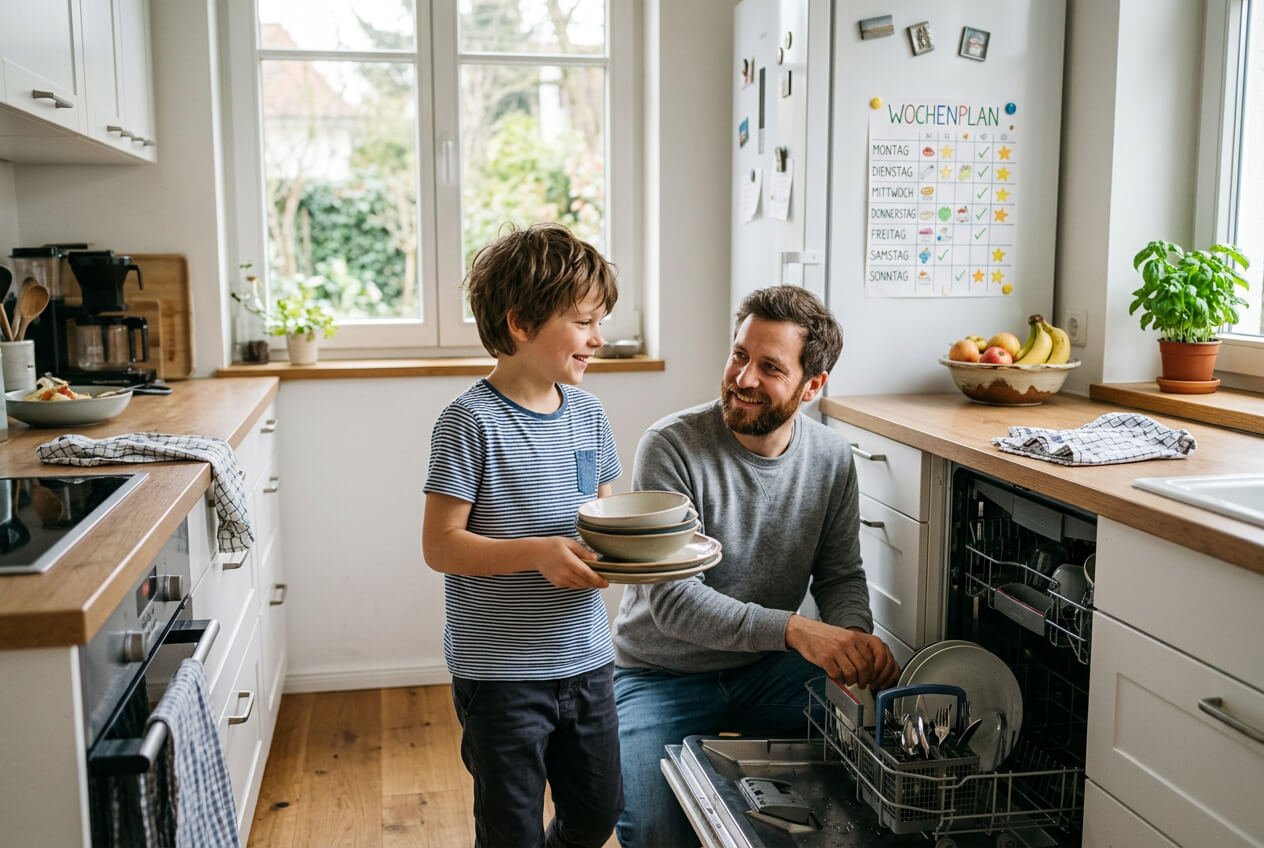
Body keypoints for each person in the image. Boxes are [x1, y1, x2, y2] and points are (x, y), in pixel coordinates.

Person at [611, 285, 901, 847]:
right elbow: (673, 603)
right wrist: (797, 630)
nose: (743, 378)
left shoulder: (832, 459)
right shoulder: (670, 447)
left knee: (863, 776)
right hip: (657, 675)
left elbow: (840, 575)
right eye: (739, 355)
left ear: (813, 387)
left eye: (769, 366)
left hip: (768, 670)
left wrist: (851, 644)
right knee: (651, 832)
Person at [423, 222, 624, 848]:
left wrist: (632, 553)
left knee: (596, 814)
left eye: (600, 321)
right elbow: (442, 546)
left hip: (587, 659)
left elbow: (601, 519)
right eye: (585, 322)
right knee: (511, 832)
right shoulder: (468, 422)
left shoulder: (590, 416)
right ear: (520, 323)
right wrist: (537, 553)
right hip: (500, 673)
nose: (598, 338)